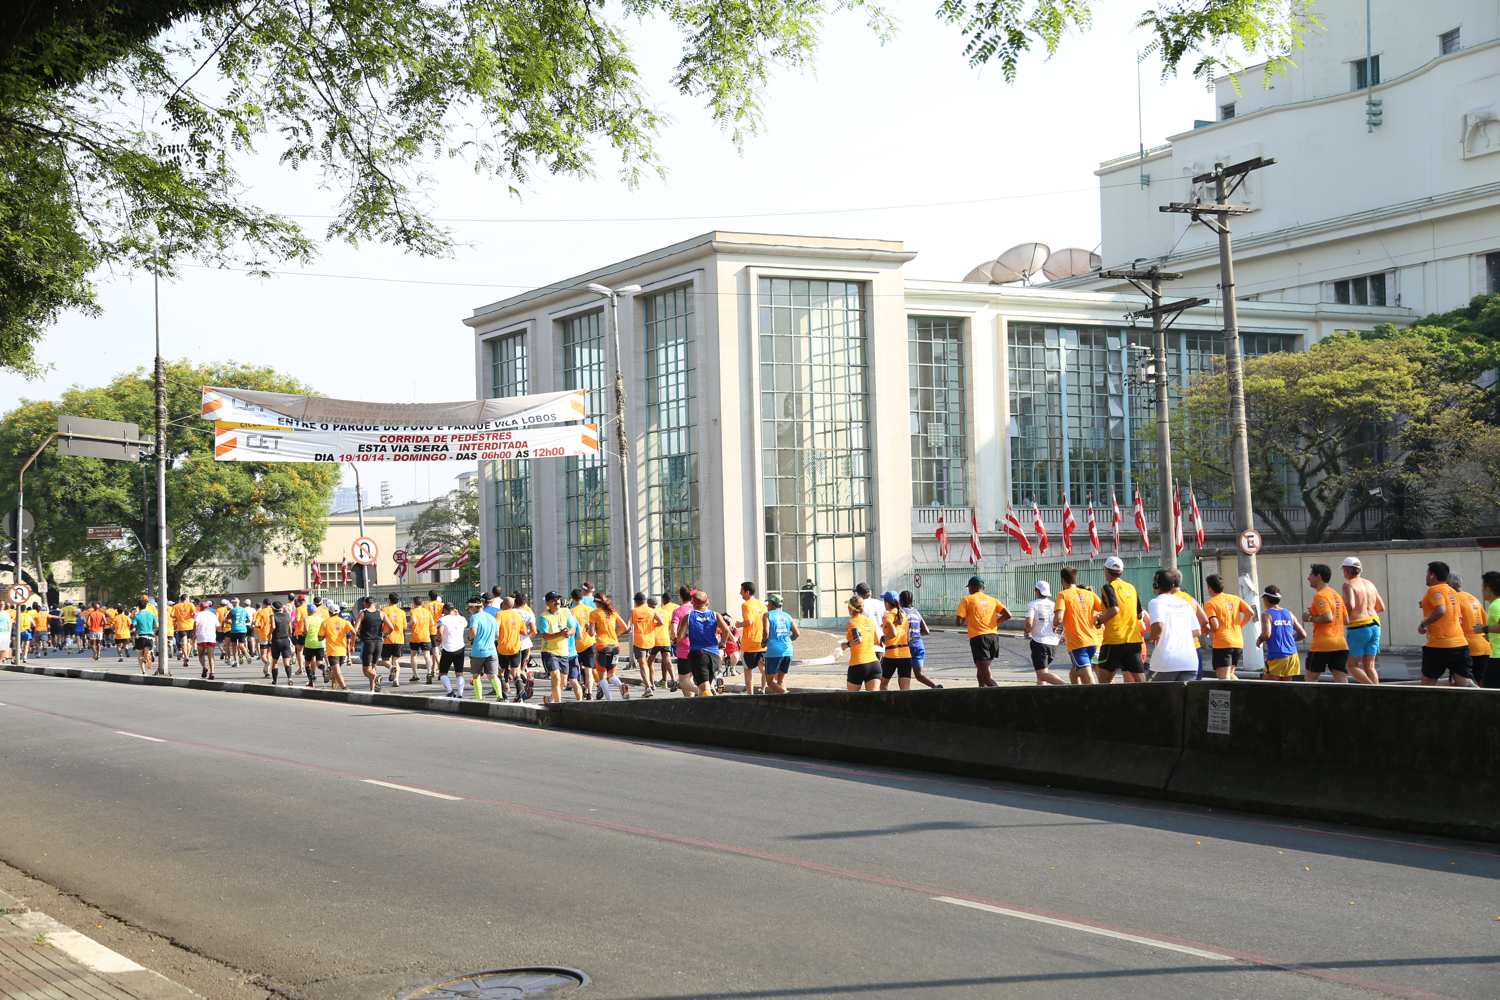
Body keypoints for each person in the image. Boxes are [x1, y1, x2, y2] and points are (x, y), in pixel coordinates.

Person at [1417, 561, 1474, 687]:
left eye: (1427, 574)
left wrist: (1423, 624)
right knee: (1464, 683)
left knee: (1427, 684)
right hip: (1460, 645)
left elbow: (1441, 610)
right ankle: (1487, 699)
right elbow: (1455, 615)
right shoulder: (1452, 591)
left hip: (1438, 646)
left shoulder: (1433, 590)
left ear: (1432, 575)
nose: (1426, 577)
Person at [1146, 568, 1200, 682]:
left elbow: (1159, 627)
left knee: (1152, 697)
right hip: (1190, 662)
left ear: (1156, 585)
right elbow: (1197, 631)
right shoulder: (1185, 603)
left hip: (1165, 662)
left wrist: (1150, 639)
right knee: (1181, 699)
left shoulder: (1156, 602)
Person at [955, 576, 1010, 687]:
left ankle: (1003, 697)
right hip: (993, 637)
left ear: (973, 587)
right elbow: (1008, 614)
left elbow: (958, 622)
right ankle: (982, 696)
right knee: (981, 671)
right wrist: (995, 623)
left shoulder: (967, 599)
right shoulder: (992, 600)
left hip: (979, 638)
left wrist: (969, 620)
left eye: (969, 587)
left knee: (986, 677)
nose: (969, 590)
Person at [674, 590, 729, 697]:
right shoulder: (715, 615)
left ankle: (713, 710)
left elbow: (679, 637)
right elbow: (726, 630)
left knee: (705, 690)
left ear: (693, 602)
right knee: (702, 686)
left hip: (698, 655)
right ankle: (701, 710)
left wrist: (680, 637)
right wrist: (723, 643)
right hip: (714, 655)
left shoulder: (688, 617)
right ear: (707, 602)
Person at [1053, 567, 1102, 685]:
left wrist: (1055, 622)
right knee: (1074, 673)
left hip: (1078, 644)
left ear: (1063, 580)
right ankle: (1076, 698)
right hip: (1093, 641)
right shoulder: (1090, 594)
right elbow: (1104, 609)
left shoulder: (1063, 595)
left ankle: (1098, 701)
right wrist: (1098, 621)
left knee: (1089, 679)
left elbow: (1058, 619)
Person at [1341, 557, 1386, 684]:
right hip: (1375, 625)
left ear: (1347, 570)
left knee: (1352, 666)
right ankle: (1377, 696)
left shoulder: (1348, 584)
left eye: (1344, 569)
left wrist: (1343, 615)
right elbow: (1381, 607)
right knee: (1369, 666)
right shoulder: (1370, 584)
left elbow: (1351, 605)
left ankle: (1372, 688)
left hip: (1359, 628)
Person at [1303, 564, 1350, 684]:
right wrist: (1316, 613)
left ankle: (1310, 703)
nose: (1308, 578)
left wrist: (1309, 618)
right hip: (1340, 644)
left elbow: (1328, 617)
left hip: (1322, 644)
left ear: (1318, 576)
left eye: (1310, 575)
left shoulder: (1320, 595)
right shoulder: (1336, 595)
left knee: (1310, 679)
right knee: (1341, 678)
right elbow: (1346, 620)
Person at [1203, 573, 1253, 680]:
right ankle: (1240, 695)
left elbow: (1215, 625)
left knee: (1223, 678)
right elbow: (1250, 612)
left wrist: (1208, 631)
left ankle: (1236, 696)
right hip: (1237, 642)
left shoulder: (1210, 603)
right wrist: (1240, 625)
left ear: (1209, 588)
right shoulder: (1235, 598)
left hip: (1222, 643)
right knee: (1230, 674)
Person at [1256, 585, 1305, 681]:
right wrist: (1289, 639)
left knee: (1269, 689)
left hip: (1277, 656)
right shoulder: (1289, 613)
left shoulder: (1266, 614)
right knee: (1286, 690)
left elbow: (1266, 634)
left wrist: (1259, 640)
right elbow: (1303, 634)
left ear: (1266, 599)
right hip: (1292, 656)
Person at [1451, 574, 1490, 689]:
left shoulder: (1454, 599)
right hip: (1484, 647)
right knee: (1481, 683)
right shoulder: (1473, 598)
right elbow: (1485, 623)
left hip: (1467, 648)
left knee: (1462, 684)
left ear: (1449, 585)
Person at [538, 592, 578, 704]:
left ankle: (550, 699)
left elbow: (573, 627)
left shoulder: (565, 611)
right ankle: (558, 704)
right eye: (553, 600)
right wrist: (560, 634)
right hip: (549, 651)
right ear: (547, 603)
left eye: (558, 599)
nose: (557, 602)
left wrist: (568, 633)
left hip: (564, 652)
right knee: (555, 677)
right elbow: (545, 635)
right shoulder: (543, 617)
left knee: (563, 682)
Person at [1022, 580, 1064, 685]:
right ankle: (1041, 697)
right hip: (1053, 643)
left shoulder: (1032, 604)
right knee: (1041, 675)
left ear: (1037, 591)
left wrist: (1027, 632)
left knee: (1041, 674)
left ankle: (1065, 686)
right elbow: (1061, 621)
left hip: (1039, 642)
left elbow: (1028, 624)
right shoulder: (1054, 604)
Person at [899, 591, 941, 689]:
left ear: (900, 600)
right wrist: (916, 633)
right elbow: (926, 630)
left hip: (907, 646)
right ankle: (935, 686)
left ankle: (904, 694)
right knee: (919, 674)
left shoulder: (901, 612)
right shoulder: (916, 612)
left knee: (904, 674)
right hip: (918, 644)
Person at [590, 594, 628, 700]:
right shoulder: (613, 612)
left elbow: (591, 633)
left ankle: (609, 700)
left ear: (597, 602)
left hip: (602, 646)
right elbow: (625, 627)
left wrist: (588, 628)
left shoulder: (594, 613)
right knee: (611, 675)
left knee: (602, 678)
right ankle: (621, 686)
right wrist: (615, 634)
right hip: (615, 647)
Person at [762, 593, 799, 694]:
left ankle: (787, 695)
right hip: (788, 650)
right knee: (780, 680)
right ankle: (783, 702)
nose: (767, 606)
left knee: (769, 682)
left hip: (773, 651)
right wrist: (788, 640)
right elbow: (797, 634)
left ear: (772, 604)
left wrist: (763, 643)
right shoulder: (787, 616)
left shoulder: (767, 615)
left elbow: (766, 633)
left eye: (768, 603)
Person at [876, 590, 913, 691]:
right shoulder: (903, 615)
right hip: (905, 654)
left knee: (882, 685)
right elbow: (908, 638)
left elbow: (893, 633)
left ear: (887, 603)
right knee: (905, 690)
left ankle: (887, 706)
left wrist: (883, 638)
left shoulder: (888, 616)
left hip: (891, 655)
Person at [841, 596, 880, 692]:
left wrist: (845, 645)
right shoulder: (870, 621)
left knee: (853, 701)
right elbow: (877, 641)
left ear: (850, 608)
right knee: (874, 701)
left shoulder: (852, 622)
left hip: (858, 665)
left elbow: (857, 640)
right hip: (874, 664)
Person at [466, 595, 500, 700]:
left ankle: (479, 698)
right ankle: (500, 696)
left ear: (475, 607)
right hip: (492, 651)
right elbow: (497, 635)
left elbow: (473, 633)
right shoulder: (491, 617)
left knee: (476, 676)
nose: (469, 610)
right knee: (493, 676)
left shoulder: (474, 617)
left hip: (478, 651)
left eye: (469, 608)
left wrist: (470, 638)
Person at [630, 592, 664, 696]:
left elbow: (627, 627)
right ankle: (652, 683)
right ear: (644, 601)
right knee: (650, 663)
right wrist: (652, 626)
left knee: (643, 664)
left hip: (639, 641)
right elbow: (661, 622)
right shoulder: (651, 610)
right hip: (650, 641)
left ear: (636, 601)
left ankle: (648, 687)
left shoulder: (634, 611)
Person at [492, 596, 525, 702]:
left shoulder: (500, 614)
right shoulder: (518, 615)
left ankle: (504, 695)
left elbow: (496, 627)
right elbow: (523, 631)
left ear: (505, 605)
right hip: (515, 647)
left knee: (501, 671)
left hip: (503, 647)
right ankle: (519, 696)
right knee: (516, 672)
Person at [739, 581, 768, 695]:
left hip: (749, 643)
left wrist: (738, 624)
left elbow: (749, 622)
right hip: (762, 642)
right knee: (763, 669)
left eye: (741, 591)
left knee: (748, 670)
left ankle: (750, 694)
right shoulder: (762, 605)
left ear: (747, 592)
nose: (740, 593)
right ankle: (763, 689)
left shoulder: (746, 605)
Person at [436, 601, 469, 698]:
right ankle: (460, 693)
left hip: (447, 648)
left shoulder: (443, 619)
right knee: (459, 673)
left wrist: (439, 640)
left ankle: (450, 691)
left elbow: (440, 631)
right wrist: (457, 614)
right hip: (460, 648)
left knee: (443, 673)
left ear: (445, 610)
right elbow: (465, 624)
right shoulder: (462, 619)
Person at [353, 596, 384, 691]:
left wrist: (353, 643)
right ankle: (372, 689)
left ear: (366, 604)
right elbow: (391, 627)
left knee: (366, 670)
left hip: (368, 643)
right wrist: (384, 635)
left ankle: (376, 677)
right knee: (373, 666)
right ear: (374, 603)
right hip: (379, 643)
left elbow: (355, 630)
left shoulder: (363, 613)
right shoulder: (381, 613)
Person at [571, 589, 598, 699]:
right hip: (590, 642)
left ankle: (583, 687)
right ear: (582, 597)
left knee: (576, 669)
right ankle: (589, 693)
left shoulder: (571, 612)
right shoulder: (591, 610)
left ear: (572, 598)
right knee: (589, 670)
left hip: (576, 645)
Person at [320, 602, 352, 690]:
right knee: (337, 670)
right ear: (338, 612)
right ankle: (334, 687)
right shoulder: (345, 622)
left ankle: (344, 687)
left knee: (336, 671)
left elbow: (319, 638)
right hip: (343, 651)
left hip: (332, 651)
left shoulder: (325, 622)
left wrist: (324, 636)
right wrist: (352, 644)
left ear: (329, 613)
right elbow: (354, 632)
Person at [650, 594, 676, 694]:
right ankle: (673, 680)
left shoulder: (651, 612)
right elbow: (670, 626)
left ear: (649, 604)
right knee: (667, 660)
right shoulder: (666, 612)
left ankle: (651, 683)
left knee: (649, 662)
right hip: (665, 639)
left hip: (654, 640)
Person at [1479, 571, 1500, 689]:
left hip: (1497, 657)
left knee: (1489, 692)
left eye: (1483, 587)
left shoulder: (1495, 605)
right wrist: (1488, 635)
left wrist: (1485, 628)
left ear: (1488, 588)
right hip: (1495, 654)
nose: (1482, 590)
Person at [408, 594, 436, 684]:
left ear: (414, 603)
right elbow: (432, 623)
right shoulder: (427, 611)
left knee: (413, 655)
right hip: (426, 636)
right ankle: (429, 673)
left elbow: (414, 621)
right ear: (422, 603)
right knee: (427, 655)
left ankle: (415, 675)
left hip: (415, 636)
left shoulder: (413, 611)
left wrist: (409, 625)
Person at [301, 598, 327, 686]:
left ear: (308, 611)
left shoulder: (306, 619)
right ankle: (323, 669)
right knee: (319, 662)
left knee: (307, 663)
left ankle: (311, 681)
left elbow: (306, 630)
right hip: (320, 643)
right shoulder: (321, 619)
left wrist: (304, 632)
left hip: (309, 643)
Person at [130, 596, 157, 674]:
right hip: (150, 637)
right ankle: (148, 655)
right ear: (146, 606)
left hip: (140, 637)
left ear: (138, 606)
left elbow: (133, 626)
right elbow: (157, 626)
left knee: (139, 655)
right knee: (147, 651)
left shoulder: (137, 615)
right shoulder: (152, 615)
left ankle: (143, 671)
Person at [171, 594, 196, 666]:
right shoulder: (191, 605)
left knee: (183, 642)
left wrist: (178, 617)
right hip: (190, 625)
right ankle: (186, 656)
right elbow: (194, 614)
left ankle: (186, 657)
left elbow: (172, 615)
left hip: (181, 626)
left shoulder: (176, 606)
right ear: (186, 598)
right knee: (189, 642)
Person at [253, 599, 274, 675]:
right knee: (269, 653)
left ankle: (267, 663)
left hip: (264, 635)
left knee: (263, 655)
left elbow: (256, 624)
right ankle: (267, 670)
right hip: (272, 635)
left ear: (264, 604)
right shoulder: (273, 610)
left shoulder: (261, 612)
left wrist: (257, 626)